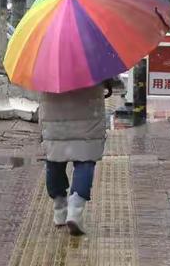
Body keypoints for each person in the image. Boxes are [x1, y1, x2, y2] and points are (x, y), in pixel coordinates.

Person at [39, 80, 112, 236]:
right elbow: (111, 76)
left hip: (54, 111)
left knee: (54, 157)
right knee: (85, 157)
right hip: (88, 112)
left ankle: (60, 209)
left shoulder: (47, 59)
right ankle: (75, 210)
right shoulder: (93, 56)